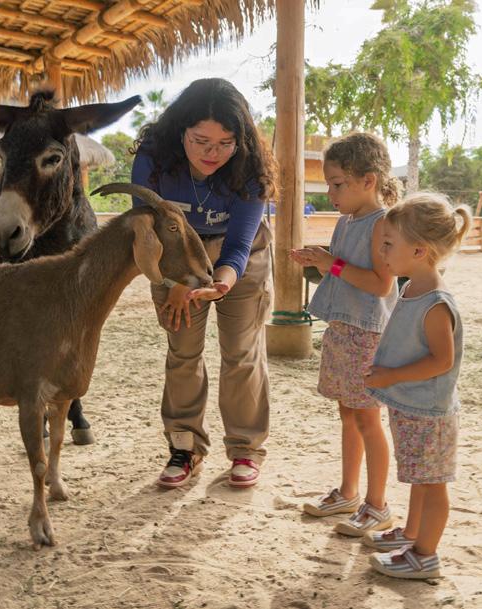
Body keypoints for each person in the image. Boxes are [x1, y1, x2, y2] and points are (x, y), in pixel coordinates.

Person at [130, 78, 277, 488]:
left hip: (239, 258)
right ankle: (185, 446)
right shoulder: (153, 157)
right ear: (181, 132)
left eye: (225, 143)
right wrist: (179, 279)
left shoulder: (250, 166)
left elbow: (239, 245)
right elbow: (146, 226)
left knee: (242, 353)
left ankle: (245, 448)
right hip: (172, 256)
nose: (213, 154)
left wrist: (221, 284)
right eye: (201, 141)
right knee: (183, 351)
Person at [288, 132, 399, 536]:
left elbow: (381, 284)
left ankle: (378, 505)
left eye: (337, 184)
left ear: (368, 181)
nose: (331, 193)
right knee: (348, 415)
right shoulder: (345, 221)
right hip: (342, 329)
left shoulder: (382, 223)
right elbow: (341, 273)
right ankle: (349, 493)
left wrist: (330, 264)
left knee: (368, 420)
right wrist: (318, 261)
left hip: (367, 335)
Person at [363, 192, 472, 580]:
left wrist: (391, 376)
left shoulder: (435, 304)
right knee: (419, 478)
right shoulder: (411, 288)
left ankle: (425, 555)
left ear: (420, 251)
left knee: (432, 484)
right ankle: (412, 534)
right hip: (412, 407)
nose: (382, 251)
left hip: (430, 412)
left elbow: (441, 361)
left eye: (389, 244)